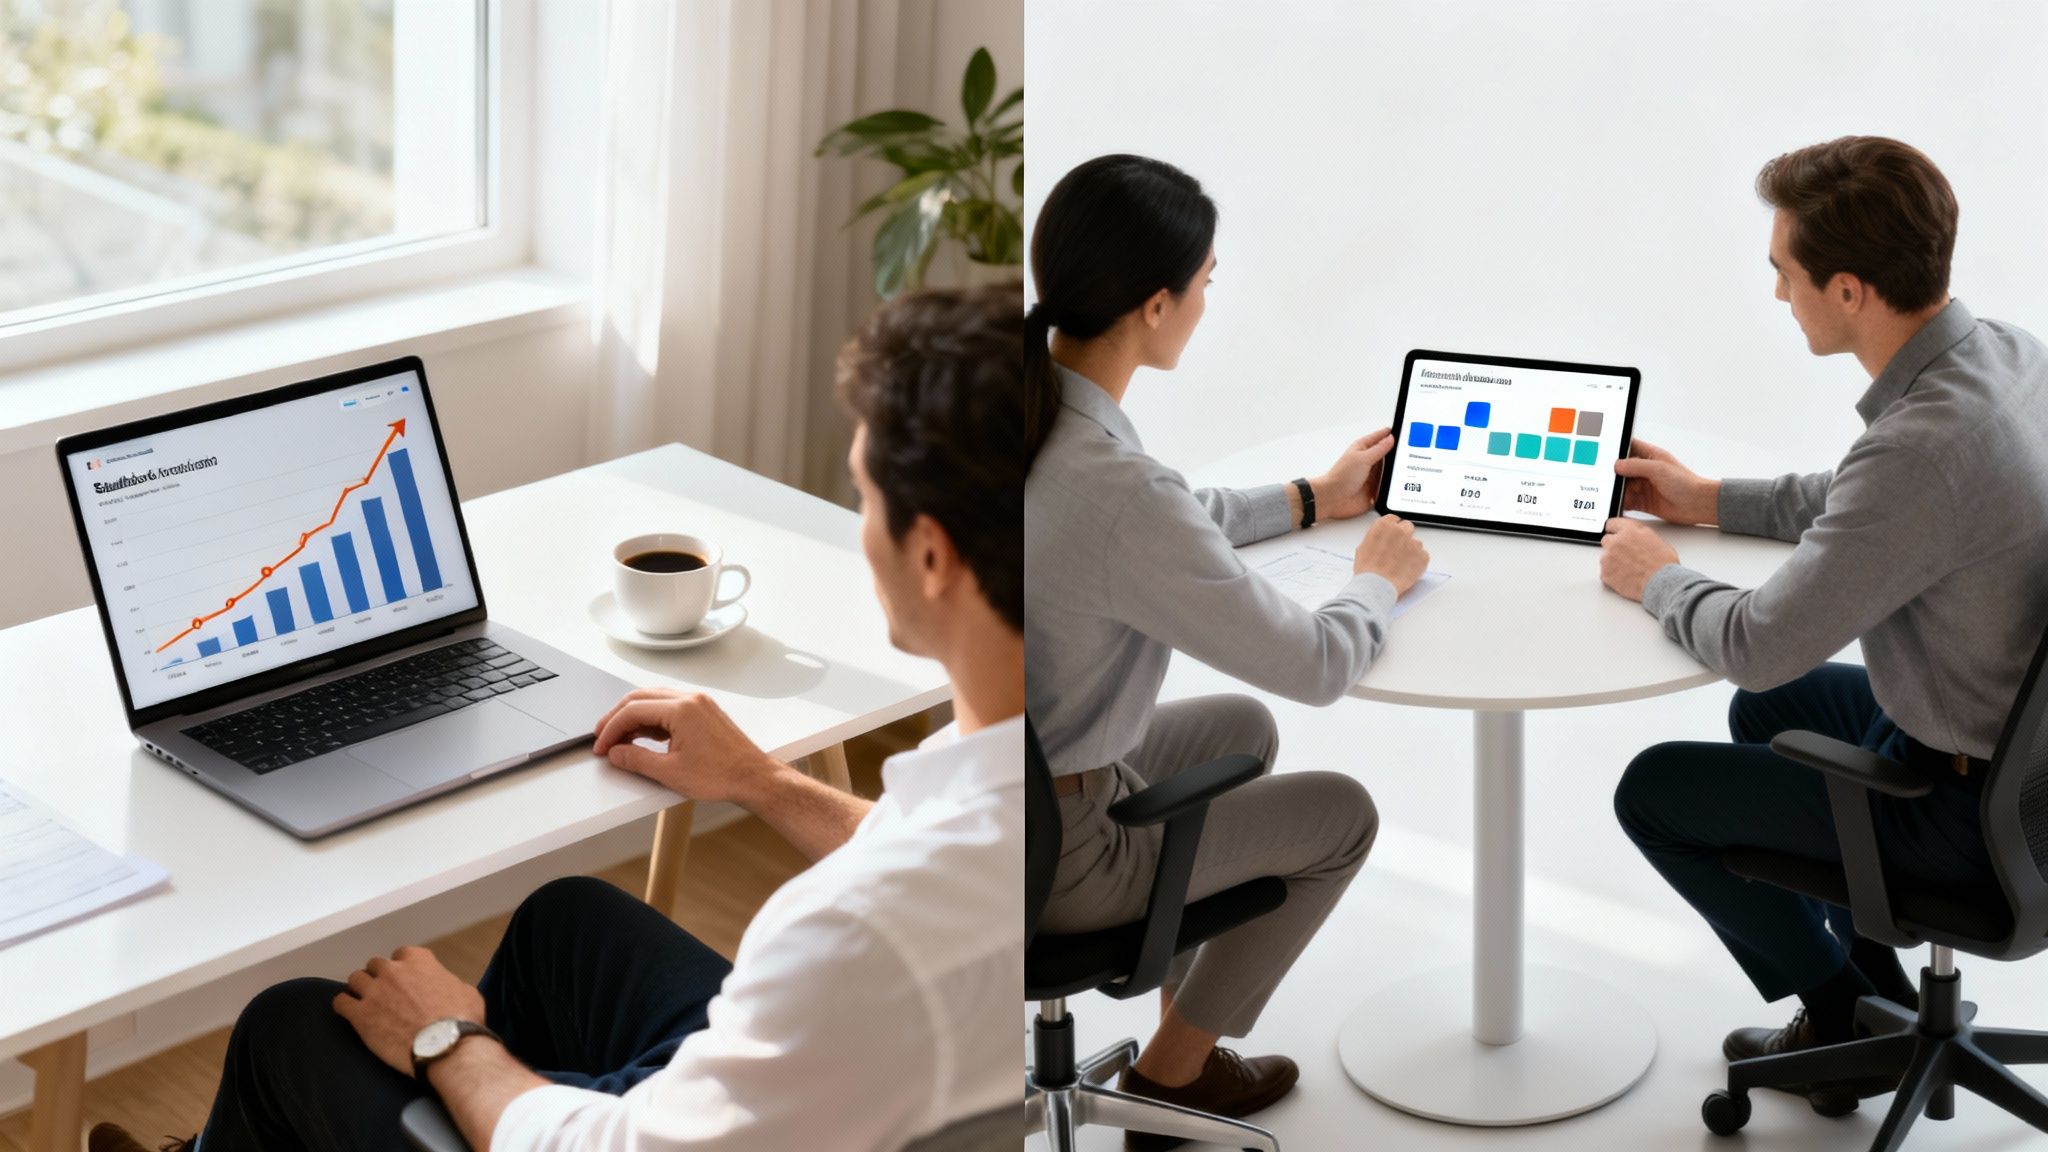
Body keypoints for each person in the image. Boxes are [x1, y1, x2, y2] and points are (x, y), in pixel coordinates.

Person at [89, 283, 1026, 1152]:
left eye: (863, 497)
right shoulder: (1041, 772)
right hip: (848, 1094)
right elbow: (929, 848)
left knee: (288, 1021)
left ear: (933, 556)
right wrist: (757, 780)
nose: (859, 524)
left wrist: (446, 1040)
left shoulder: (843, 936)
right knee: (563, 923)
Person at [1603, 136, 2048, 1110]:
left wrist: (1657, 577)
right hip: (2023, 766)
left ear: (1847, 290)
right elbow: (1864, 499)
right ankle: (1867, 1014)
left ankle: (1843, 1010)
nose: (1775, 294)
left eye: (1783, 272)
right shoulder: (2004, 357)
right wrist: (1707, 498)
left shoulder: (1918, 448)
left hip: (1964, 815)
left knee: (1654, 792)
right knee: (1770, 718)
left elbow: (1759, 642)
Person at [1024, 154, 1428, 1146]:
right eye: (1205, 283)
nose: (1208, 301)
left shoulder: (1018, 406)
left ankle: (1175, 1036)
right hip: (1062, 860)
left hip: (1003, 798)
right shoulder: (1118, 488)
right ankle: (1172, 1083)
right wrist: (1377, 574)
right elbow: (1318, 667)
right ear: (1155, 307)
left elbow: (1165, 520)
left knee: (1238, 727)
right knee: (1342, 816)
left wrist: (1304, 500)